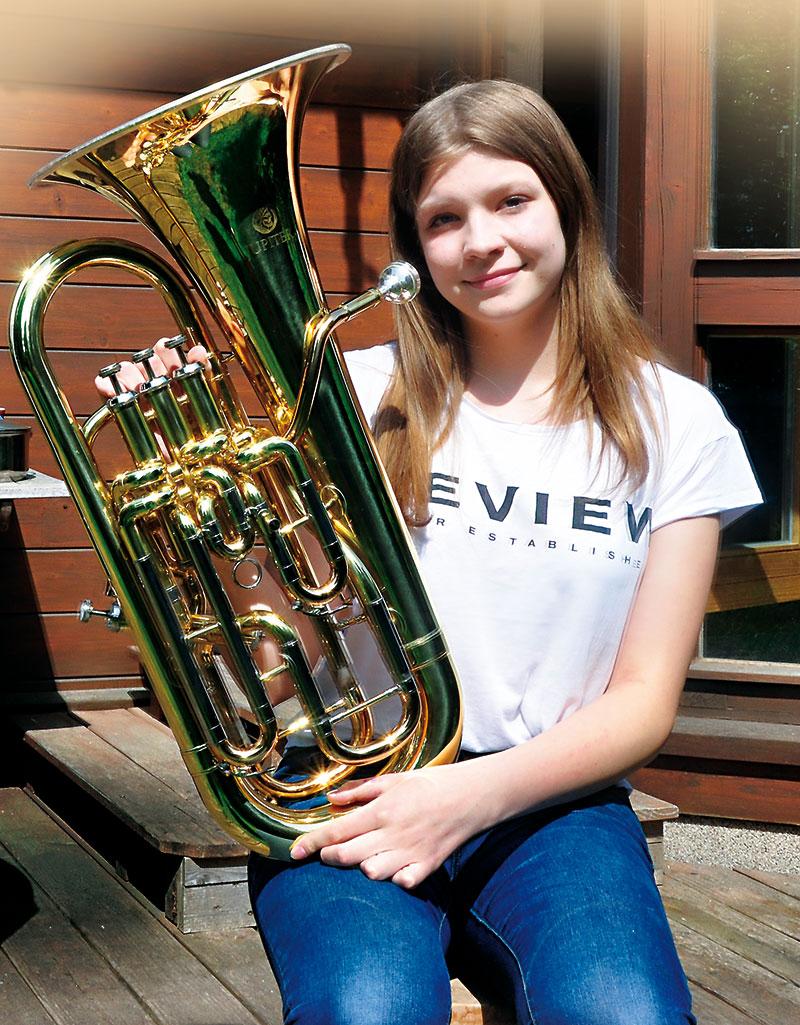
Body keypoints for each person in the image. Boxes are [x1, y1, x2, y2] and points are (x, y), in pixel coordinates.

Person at [99, 80, 761, 1025]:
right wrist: (194, 577)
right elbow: (282, 666)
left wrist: (461, 798)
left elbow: (644, 702)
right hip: (349, 786)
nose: (481, 240)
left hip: (552, 803)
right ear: (415, 250)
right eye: (443, 218)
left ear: (567, 204)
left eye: (511, 200)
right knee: (364, 1012)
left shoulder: (676, 423)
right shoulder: (353, 395)